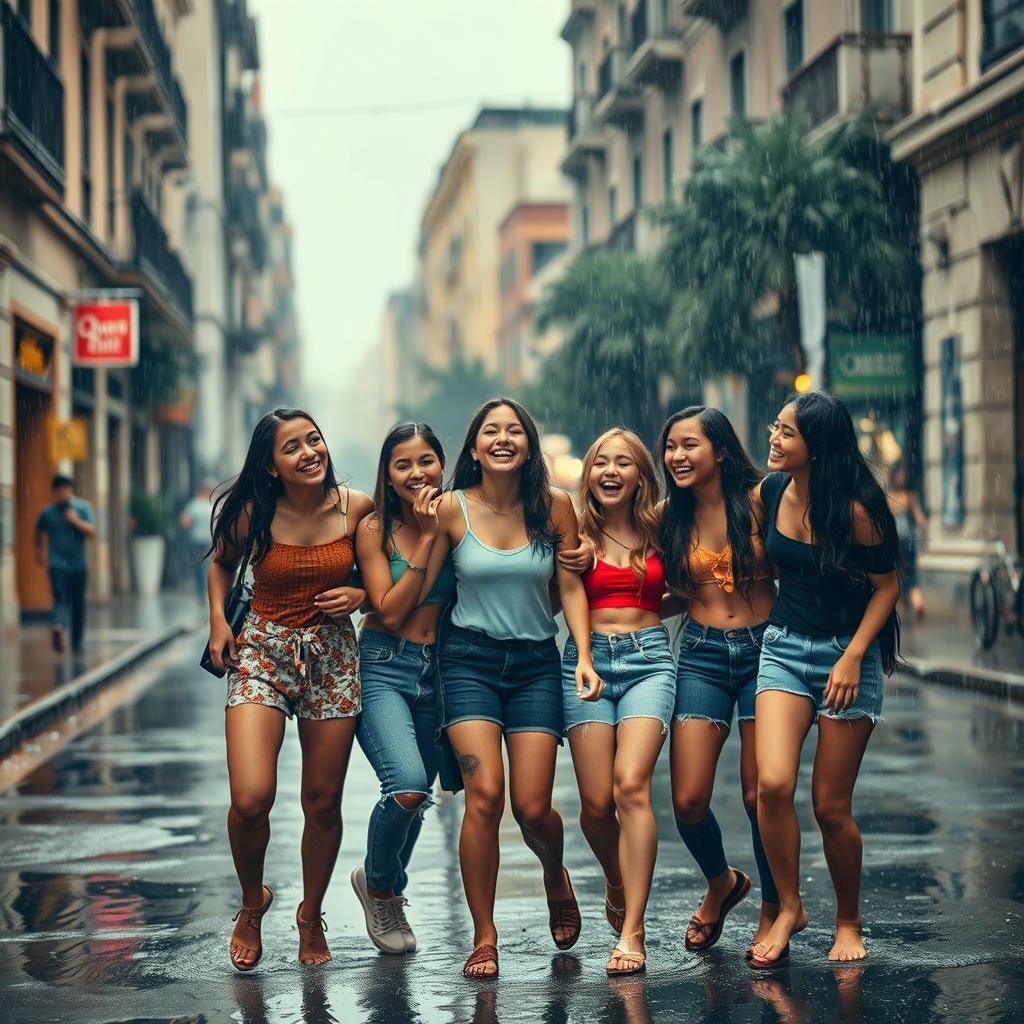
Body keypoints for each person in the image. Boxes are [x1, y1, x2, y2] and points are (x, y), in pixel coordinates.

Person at [428, 398, 601, 979]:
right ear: (474, 448)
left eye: (514, 431)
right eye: (490, 432)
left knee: (532, 808)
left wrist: (582, 653)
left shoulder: (555, 508)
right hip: (468, 662)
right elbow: (424, 584)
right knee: (484, 797)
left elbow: (572, 587)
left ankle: (555, 872)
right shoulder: (451, 509)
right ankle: (484, 935)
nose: (503, 439)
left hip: (533, 663)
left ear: (528, 446)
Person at [205, 407, 372, 970]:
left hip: (332, 657)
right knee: (250, 799)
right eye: (292, 447)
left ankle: (310, 913)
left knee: (321, 802)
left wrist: (362, 598)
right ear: (271, 466)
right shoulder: (253, 511)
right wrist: (218, 623)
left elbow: (386, 578)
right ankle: (252, 903)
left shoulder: (357, 509)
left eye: (314, 440)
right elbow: (221, 565)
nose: (310, 453)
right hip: (261, 652)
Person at [752, 391, 900, 968]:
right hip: (784, 650)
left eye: (786, 431)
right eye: (776, 425)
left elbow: (886, 587)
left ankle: (847, 919)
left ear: (817, 445)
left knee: (830, 806)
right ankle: (789, 907)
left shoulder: (857, 510)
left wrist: (853, 656)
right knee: (771, 784)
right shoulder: (770, 492)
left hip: (846, 658)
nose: (775, 438)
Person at [659, 407, 780, 956]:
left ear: (721, 451)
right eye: (670, 447)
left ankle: (773, 907)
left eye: (689, 445)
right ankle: (721, 882)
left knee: (761, 796)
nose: (677, 456)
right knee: (687, 799)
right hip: (703, 654)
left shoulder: (761, 500)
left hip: (766, 653)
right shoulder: (666, 516)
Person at [562, 429, 674, 976]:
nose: (610, 471)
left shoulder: (662, 529)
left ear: (640, 475)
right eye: (600, 462)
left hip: (650, 661)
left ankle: (632, 931)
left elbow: (684, 588)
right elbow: (568, 594)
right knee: (596, 805)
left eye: (623, 463)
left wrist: (652, 613)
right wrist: (585, 654)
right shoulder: (574, 532)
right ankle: (613, 876)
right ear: (588, 474)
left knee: (631, 786)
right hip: (585, 662)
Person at [350, 422, 454, 955]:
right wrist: (429, 538)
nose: (417, 473)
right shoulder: (374, 529)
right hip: (384, 666)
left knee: (419, 798)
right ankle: (383, 886)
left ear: (443, 462)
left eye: (426, 461)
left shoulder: (459, 515)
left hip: (443, 672)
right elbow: (389, 611)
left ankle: (379, 881)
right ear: (388, 478)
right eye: (403, 465)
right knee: (407, 784)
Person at [35, 474, 96, 654]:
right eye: (60, 491)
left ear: (71, 490)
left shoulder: (82, 508)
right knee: (60, 598)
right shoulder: (47, 512)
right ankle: (58, 626)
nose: (63, 494)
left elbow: (92, 532)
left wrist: (75, 520)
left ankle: (76, 642)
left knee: (78, 603)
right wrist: (43, 557)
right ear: (54, 492)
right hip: (57, 564)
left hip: (78, 564)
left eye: (66, 490)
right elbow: (40, 537)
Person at [887, 460, 926, 620]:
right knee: (911, 573)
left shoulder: (888, 496)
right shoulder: (909, 496)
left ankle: (901, 609)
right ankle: (917, 602)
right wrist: (923, 538)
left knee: (897, 575)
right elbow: (920, 519)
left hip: (895, 543)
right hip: (908, 542)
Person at [180, 479, 216, 602]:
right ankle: (205, 592)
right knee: (207, 567)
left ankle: (202, 592)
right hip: (207, 541)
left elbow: (184, 522)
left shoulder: (194, 504)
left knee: (200, 568)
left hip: (199, 540)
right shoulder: (210, 505)